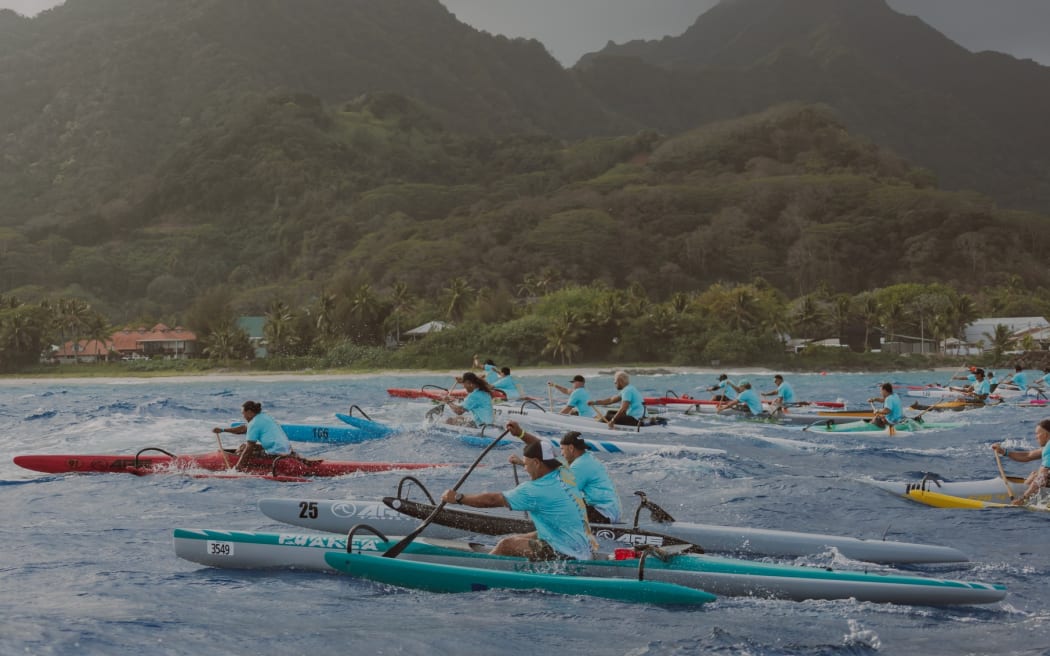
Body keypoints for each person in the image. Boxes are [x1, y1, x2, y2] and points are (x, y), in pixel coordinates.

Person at [441, 423, 597, 560]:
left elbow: (493, 500)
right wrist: (520, 433)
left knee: (506, 544)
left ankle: (480, 571)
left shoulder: (534, 490)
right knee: (524, 537)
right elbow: (542, 447)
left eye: (527, 464)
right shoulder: (564, 471)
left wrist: (459, 498)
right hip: (582, 545)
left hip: (564, 553)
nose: (525, 467)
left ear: (536, 463)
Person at [508, 422, 621, 523]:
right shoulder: (585, 458)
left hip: (603, 515)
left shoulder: (580, 466)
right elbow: (544, 449)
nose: (561, 453)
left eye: (562, 449)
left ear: (571, 448)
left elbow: (556, 487)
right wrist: (520, 433)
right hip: (607, 511)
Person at [213, 400, 292, 471]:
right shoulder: (264, 416)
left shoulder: (254, 423)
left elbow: (249, 448)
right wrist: (223, 430)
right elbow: (243, 428)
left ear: (250, 412)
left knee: (243, 449)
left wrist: (237, 469)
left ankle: (242, 465)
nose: (243, 416)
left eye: (243, 414)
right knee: (243, 447)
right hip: (285, 449)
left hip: (276, 453)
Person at [991, 418, 1050, 506]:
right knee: (1034, 474)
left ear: (1046, 434)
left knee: (1039, 475)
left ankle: (1022, 498)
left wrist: (1023, 498)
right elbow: (1028, 455)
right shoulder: (1047, 448)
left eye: (1037, 433)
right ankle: (1025, 490)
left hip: (1043, 480)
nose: (1036, 437)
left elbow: (1044, 475)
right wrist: (1004, 452)